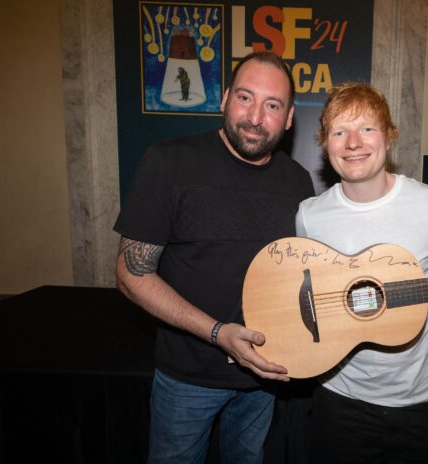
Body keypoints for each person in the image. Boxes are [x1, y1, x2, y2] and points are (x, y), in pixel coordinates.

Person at [114, 51, 315, 463]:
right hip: (187, 380)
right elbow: (131, 274)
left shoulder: (298, 182)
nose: (255, 116)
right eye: (245, 97)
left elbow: (305, 276)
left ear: (290, 117)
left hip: (264, 379)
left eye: (272, 105)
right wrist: (217, 332)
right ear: (224, 99)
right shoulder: (168, 162)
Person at [295, 82, 428, 463]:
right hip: (340, 400)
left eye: (366, 128)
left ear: (388, 136)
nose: (353, 143)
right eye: (339, 131)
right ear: (326, 143)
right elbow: (304, 292)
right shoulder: (309, 216)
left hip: (422, 400)